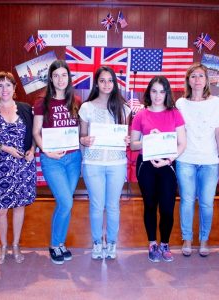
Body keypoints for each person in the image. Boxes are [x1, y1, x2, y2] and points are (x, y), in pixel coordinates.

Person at [0, 71, 36, 265]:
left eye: (8, 85)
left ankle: (16, 244)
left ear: (15, 88)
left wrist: (32, 150)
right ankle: (3, 245)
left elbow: (35, 134)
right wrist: (5, 148)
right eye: (0, 85)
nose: (4, 89)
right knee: (1, 209)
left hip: (23, 167)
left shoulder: (26, 108)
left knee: (19, 207)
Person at [130, 76, 186, 262]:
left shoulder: (175, 113)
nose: (157, 96)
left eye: (162, 91)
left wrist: (169, 159)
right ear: (149, 92)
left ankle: (165, 244)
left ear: (167, 93)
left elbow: (182, 143)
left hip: (167, 165)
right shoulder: (141, 115)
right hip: (146, 165)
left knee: (168, 208)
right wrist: (148, 138)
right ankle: (152, 243)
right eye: (154, 91)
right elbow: (134, 145)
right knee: (150, 205)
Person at [33, 60, 82, 264]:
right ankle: (54, 244)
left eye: (64, 75)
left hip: (73, 158)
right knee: (66, 201)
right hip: (52, 160)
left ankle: (60, 244)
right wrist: (47, 150)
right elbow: (36, 132)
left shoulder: (76, 100)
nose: (60, 79)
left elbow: (80, 130)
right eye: (56, 75)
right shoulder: (41, 102)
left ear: (69, 78)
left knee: (65, 204)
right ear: (50, 78)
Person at [79, 66, 131, 260]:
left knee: (113, 205)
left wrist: (126, 140)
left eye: (110, 80)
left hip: (117, 163)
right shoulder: (87, 107)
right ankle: (96, 242)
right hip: (93, 164)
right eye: (102, 80)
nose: (106, 84)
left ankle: (111, 242)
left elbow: (125, 135)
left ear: (115, 83)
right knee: (96, 205)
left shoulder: (124, 107)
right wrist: (84, 140)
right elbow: (82, 135)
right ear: (96, 83)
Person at [176, 63, 219, 257]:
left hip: (209, 160)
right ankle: (187, 239)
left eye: (201, 76)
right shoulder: (180, 104)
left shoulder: (215, 102)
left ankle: (204, 240)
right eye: (193, 76)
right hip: (186, 159)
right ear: (188, 80)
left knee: (206, 202)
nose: (197, 80)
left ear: (206, 81)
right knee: (187, 201)